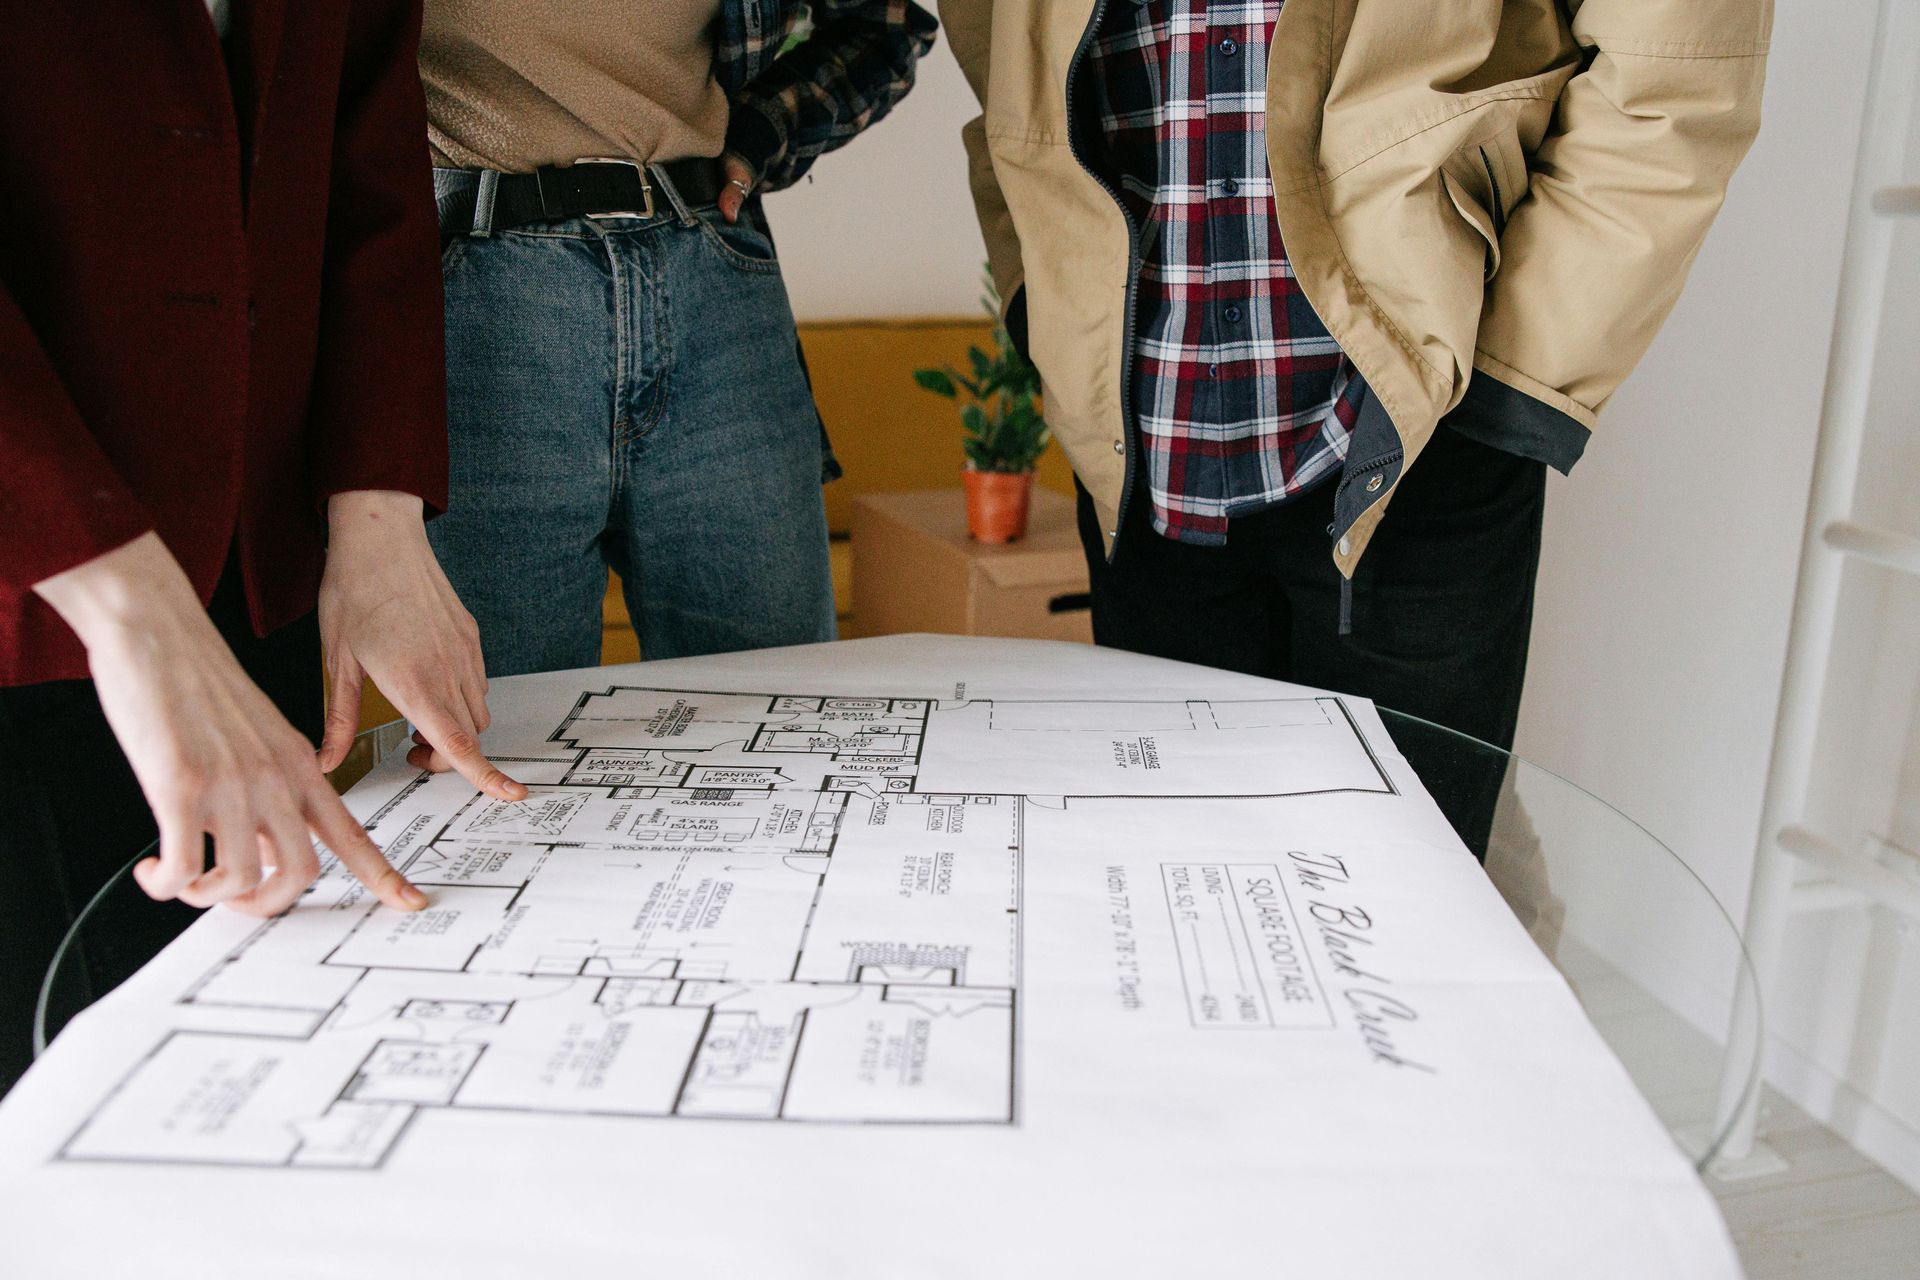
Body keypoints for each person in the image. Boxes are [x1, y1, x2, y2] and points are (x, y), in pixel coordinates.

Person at [941, 0, 1769, 848]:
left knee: (1410, 927)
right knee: (1167, 909)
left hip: (1427, 433)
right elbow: (1004, 78)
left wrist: (1512, 384)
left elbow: (1677, 73)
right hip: (1142, 460)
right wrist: (1042, 312)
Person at [0, 1, 525, 1092]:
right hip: (34, 582)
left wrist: (377, 513)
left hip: (262, 569)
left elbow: (369, 147)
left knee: (263, 1081)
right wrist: (126, 601)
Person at [421, 0, 938, 676]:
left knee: (786, 722)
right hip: (470, 307)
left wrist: (761, 130)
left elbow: (886, 26)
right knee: (499, 749)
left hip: (711, 282)